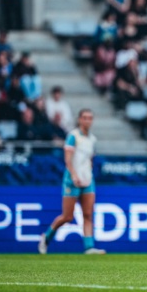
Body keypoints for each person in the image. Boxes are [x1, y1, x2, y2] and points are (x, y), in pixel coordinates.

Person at [38, 109, 106, 255]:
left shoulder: (92, 139)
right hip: (72, 181)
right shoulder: (73, 136)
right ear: (80, 119)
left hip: (88, 180)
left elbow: (91, 159)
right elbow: (68, 159)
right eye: (85, 118)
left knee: (88, 214)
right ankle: (46, 237)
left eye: (90, 118)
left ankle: (89, 247)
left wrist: (88, 173)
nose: (88, 121)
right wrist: (74, 175)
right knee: (67, 216)